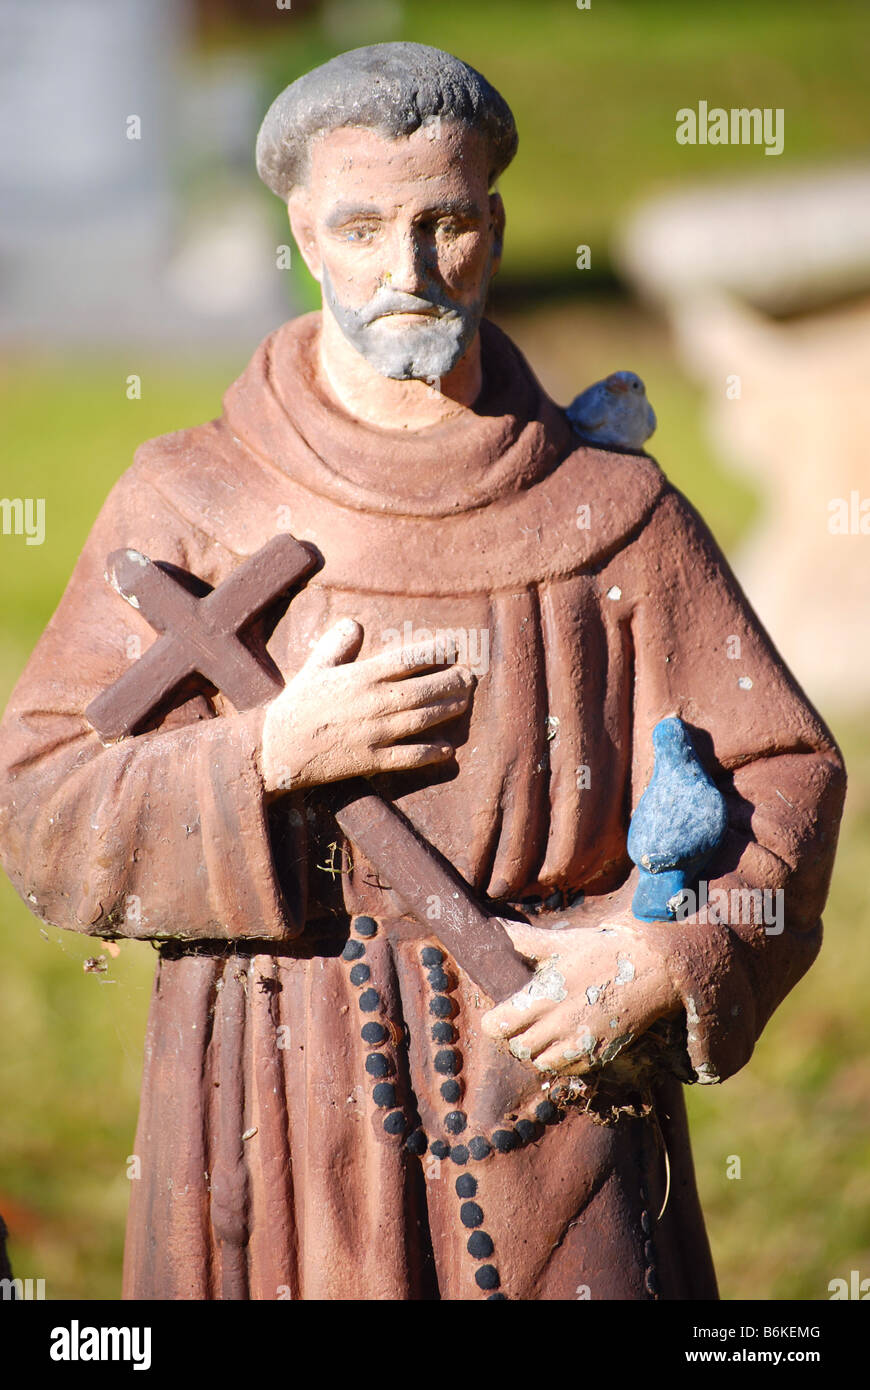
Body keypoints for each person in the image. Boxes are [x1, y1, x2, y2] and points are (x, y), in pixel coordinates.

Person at [0, 43, 845, 1301]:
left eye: (444, 223)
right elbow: (40, 801)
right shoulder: (192, 499)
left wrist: (661, 960)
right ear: (301, 229)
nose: (406, 271)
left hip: (556, 1077)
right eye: (361, 226)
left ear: (493, 227)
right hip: (271, 1102)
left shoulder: (610, 511)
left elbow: (788, 777)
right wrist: (269, 757)